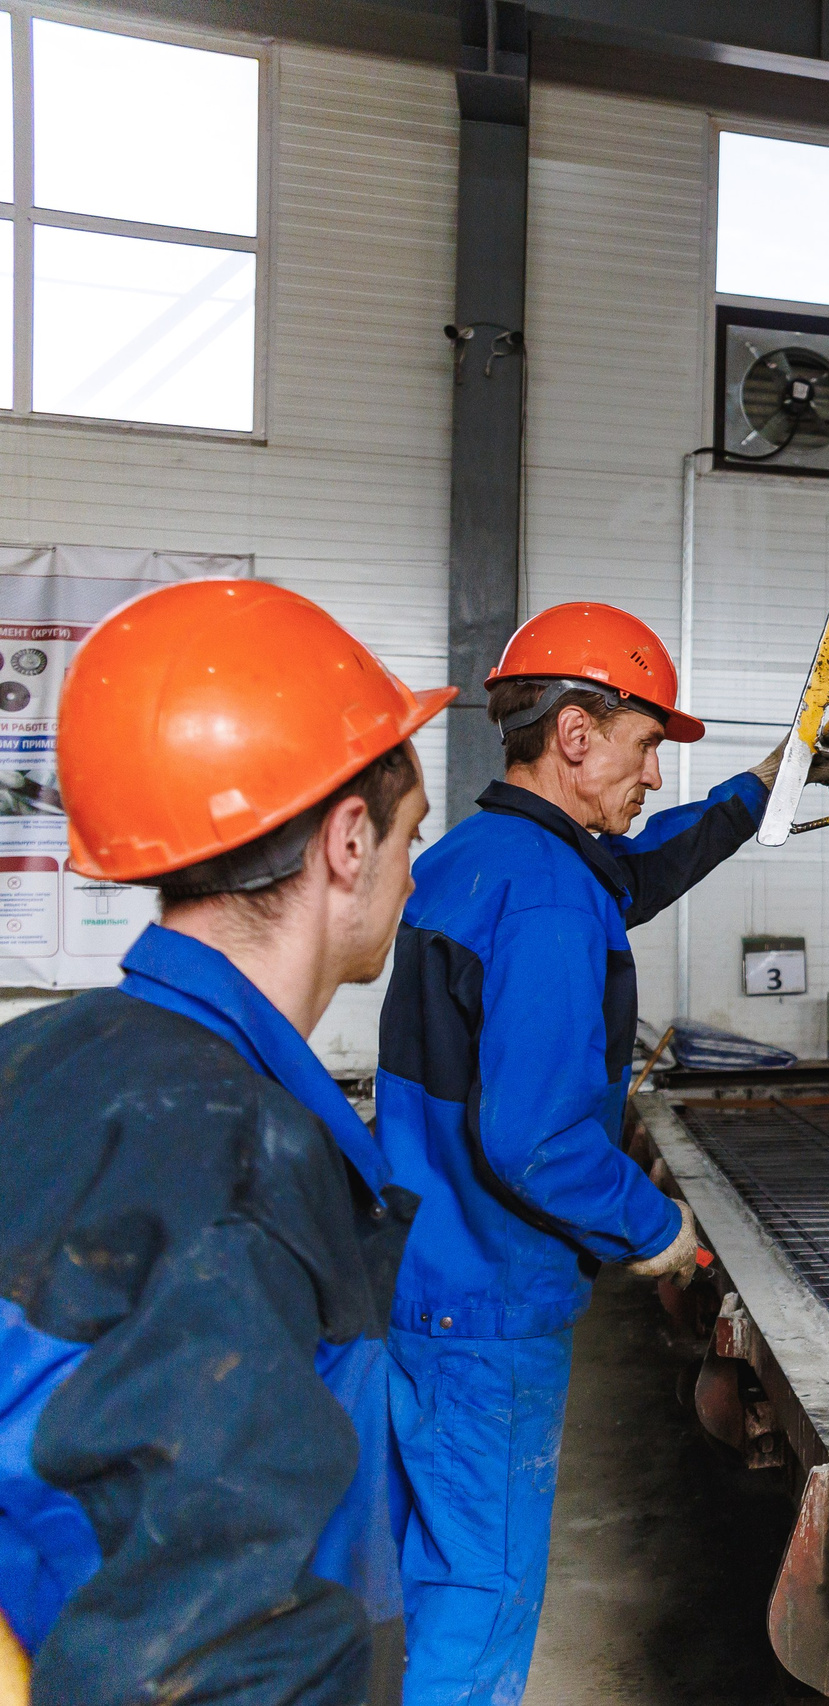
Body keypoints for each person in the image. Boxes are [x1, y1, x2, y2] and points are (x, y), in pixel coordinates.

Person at [0, 581, 449, 1703]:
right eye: (410, 836)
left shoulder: (45, 1052)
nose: (412, 875)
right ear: (349, 841)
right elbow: (213, 1648)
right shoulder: (240, 1160)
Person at [375, 602, 782, 1704]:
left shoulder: (480, 854)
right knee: (482, 1597)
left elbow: (635, 867)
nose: (652, 773)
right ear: (575, 735)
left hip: (422, 1276)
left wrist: (754, 792)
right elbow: (540, 1137)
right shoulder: (553, 893)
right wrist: (658, 1229)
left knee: (438, 1560)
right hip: (492, 1304)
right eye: (647, 743)